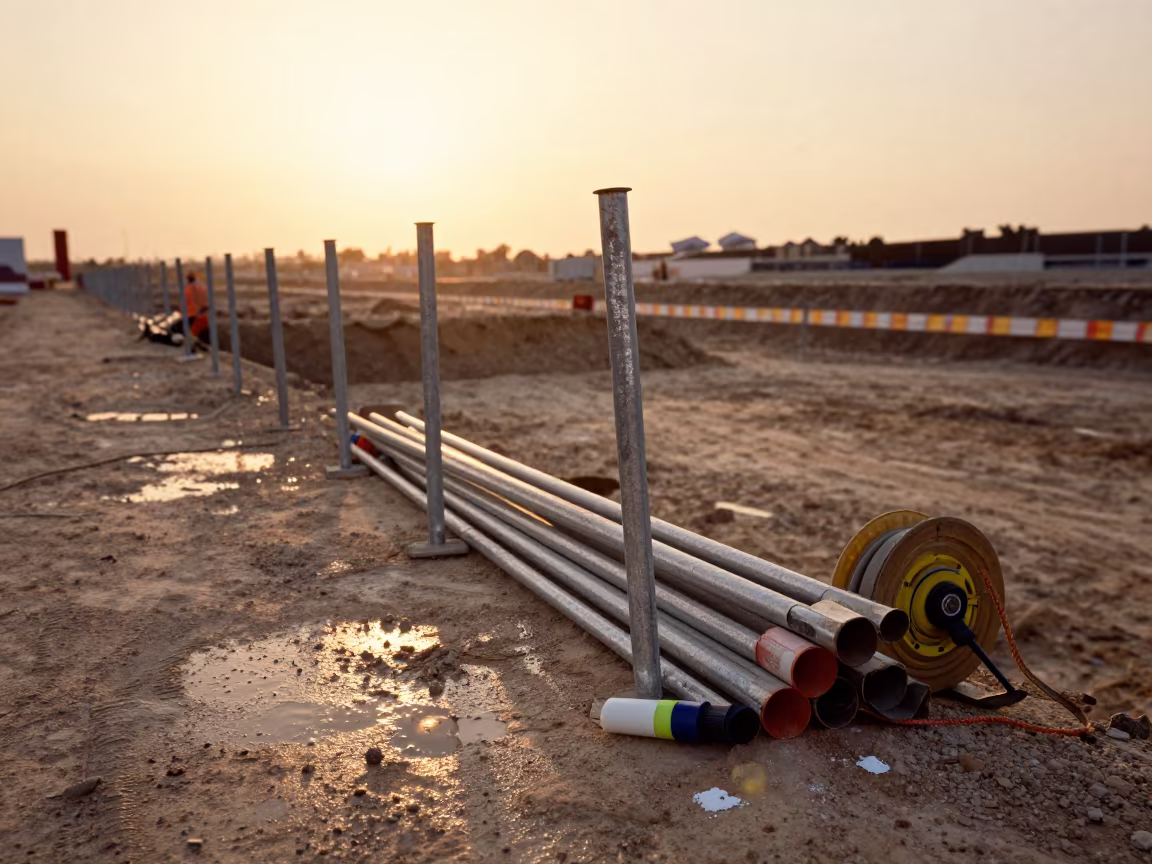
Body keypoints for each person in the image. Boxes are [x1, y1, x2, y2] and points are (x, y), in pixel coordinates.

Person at [183, 271, 210, 343]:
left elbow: (186, 301)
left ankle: (194, 347)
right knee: (203, 331)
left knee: (193, 333)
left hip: (191, 313)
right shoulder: (201, 287)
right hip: (202, 312)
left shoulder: (188, 288)